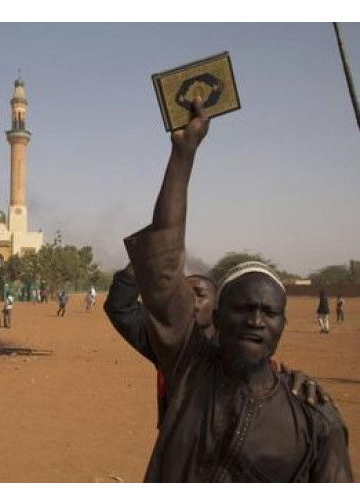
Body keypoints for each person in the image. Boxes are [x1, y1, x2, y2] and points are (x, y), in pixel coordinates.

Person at [120, 96, 352, 482]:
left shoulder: (315, 419)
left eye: (269, 312)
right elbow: (163, 261)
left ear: (283, 324)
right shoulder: (189, 367)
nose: (255, 321)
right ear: (218, 315)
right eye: (242, 308)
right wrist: (184, 153)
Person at [105, 264, 332, 427]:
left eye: (199, 294)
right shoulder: (170, 350)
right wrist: (143, 258)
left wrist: (296, 386)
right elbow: (120, 307)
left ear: (218, 307)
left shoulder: (248, 354)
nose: (189, 302)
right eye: (183, 294)